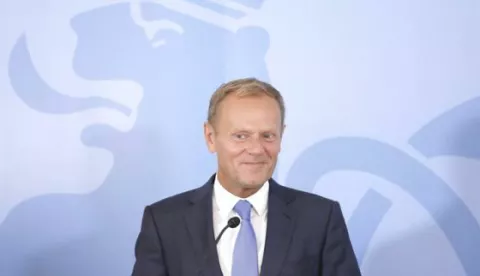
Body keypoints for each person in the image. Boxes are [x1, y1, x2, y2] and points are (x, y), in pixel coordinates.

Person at [131, 77, 362, 276]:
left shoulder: (320, 218)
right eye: (241, 136)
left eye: (268, 136)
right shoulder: (164, 222)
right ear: (210, 137)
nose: (256, 149)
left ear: (281, 137)